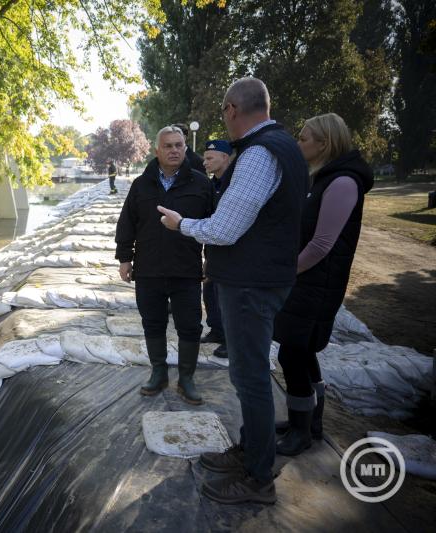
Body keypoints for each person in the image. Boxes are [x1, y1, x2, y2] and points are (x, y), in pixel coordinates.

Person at [157, 77, 308, 504]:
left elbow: (224, 228)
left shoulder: (259, 154)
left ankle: (258, 477)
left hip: (250, 284)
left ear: (231, 110)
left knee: (251, 378)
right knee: (251, 375)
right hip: (261, 278)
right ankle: (250, 450)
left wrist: (180, 224)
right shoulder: (283, 147)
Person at [273, 113, 374, 456]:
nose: (298, 143)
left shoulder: (343, 182)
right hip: (308, 281)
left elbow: (321, 244)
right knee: (302, 351)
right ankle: (308, 421)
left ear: (324, 144)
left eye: (304, 138)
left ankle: (302, 430)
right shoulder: (323, 178)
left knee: (292, 353)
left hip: (317, 285)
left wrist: (286, 272)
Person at [115, 125, 212, 404]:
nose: (174, 150)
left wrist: (211, 262)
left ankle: (187, 379)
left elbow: (213, 225)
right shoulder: (141, 185)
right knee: (153, 323)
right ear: (157, 150)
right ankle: (159, 373)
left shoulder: (200, 184)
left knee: (191, 326)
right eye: (167, 146)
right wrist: (125, 259)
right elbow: (127, 224)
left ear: (185, 148)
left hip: (186, 270)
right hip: (149, 270)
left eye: (179, 145)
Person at [199, 139, 232, 357]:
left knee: (226, 297)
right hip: (212, 249)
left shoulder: (234, 185)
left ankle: (232, 341)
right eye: (204, 158)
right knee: (209, 291)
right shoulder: (212, 184)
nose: (205, 162)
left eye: (210, 158)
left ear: (225, 158)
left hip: (230, 252)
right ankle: (217, 330)